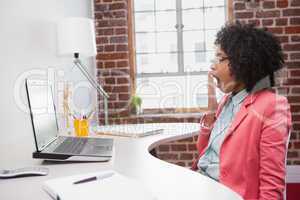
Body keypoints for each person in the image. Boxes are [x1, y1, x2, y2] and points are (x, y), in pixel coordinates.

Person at [191, 22, 292, 200]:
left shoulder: (272, 106)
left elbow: (272, 186)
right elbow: (205, 153)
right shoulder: (226, 102)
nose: (213, 66)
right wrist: (212, 111)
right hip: (200, 185)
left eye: (220, 59)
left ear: (242, 63)